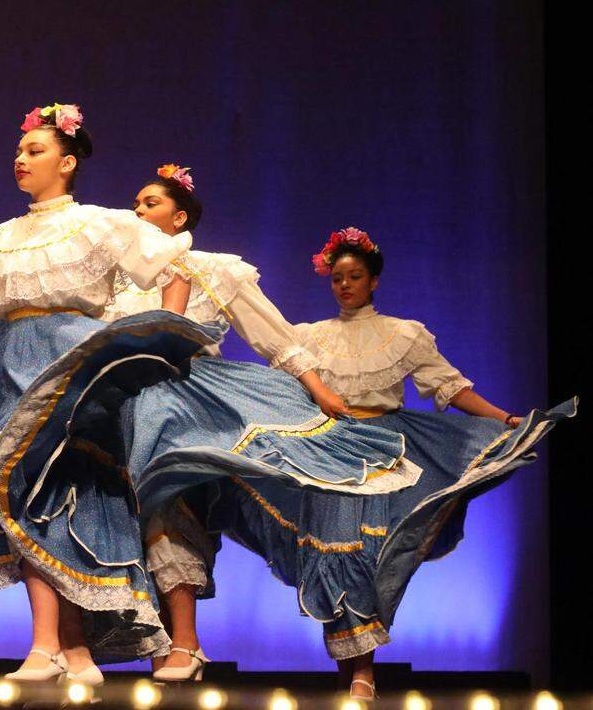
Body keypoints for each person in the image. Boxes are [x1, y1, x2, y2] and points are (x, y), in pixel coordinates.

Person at [0, 112, 413, 684]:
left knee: (88, 494)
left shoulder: (103, 225)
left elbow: (175, 271)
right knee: (16, 486)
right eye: (18, 151)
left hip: (81, 363)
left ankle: (108, 644)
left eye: (33, 149)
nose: (20, 160)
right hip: (11, 362)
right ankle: (60, 646)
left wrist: (165, 340)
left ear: (67, 160)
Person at [202, 227, 575, 697]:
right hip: (328, 448)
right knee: (332, 549)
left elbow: (450, 387)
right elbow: (285, 384)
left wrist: (504, 417)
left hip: (385, 451)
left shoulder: (402, 334)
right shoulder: (308, 337)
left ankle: (361, 671)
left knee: (366, 554)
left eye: (355, 276)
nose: (345, 285)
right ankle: (353, 670)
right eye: (337, 278)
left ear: (373, 280)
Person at [103, 164, 346, 681]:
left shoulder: (215, 269)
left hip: (190, 403)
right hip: (121, 403)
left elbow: (275, 338)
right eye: (137, 203)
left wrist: (321, 392)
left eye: (150, 203)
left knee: (172, 506)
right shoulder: (117, 273)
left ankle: (186, 643)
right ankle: (154, 641)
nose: (138, 211)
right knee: (125, 516)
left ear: (180, 215)